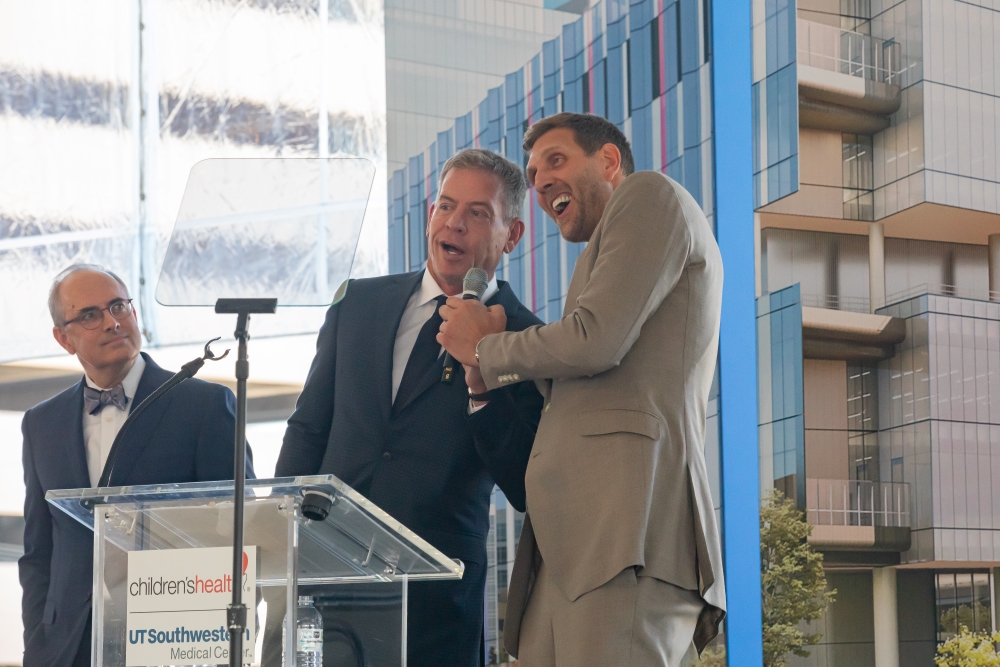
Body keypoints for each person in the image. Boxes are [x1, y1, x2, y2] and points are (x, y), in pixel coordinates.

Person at [437, 112, 727, 666]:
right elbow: (593, 368)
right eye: (534, 170)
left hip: (626, 537)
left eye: (557, 159)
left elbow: (595, 342)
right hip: (578, 543)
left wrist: (488, 348)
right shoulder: (605, 251)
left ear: (609, 161)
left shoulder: (649, 196)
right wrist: (493, 361)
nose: (541, 180)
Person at [274, 148, 544, 666]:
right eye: (446, 206)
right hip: (326, 581)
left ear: (511, 235)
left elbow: (524, 481)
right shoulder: (358, 302)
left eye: (478, 213)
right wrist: (281, 536)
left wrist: (482, 381)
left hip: (434, 604)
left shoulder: (527, 337)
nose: (455, 224)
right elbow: (309, 428)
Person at [19, 264, 254, 667]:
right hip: (66, 647)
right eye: (90, 315)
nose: (112, 322)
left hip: (173, 638)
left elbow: (242, 532)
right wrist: (38, 641)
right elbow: (40, 550)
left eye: (118, 306)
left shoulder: (204, 406)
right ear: (63, 338)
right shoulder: (42, 422)